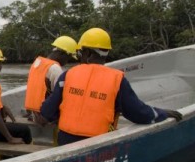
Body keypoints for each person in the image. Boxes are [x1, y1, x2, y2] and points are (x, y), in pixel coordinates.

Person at [40, 27, 183, 145]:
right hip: (99, 143)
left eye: (80, 53)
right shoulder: (117, 79)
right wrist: (162, 113)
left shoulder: (68, 75)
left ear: (88, 53)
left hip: (65, 141)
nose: (79, 57)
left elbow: (47, 111)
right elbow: (138, 113)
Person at [24, 35, 78, 122]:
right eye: (68, 58)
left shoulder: (37, 62)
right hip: (44, 115)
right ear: (62, 54)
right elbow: (59, 96)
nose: (67, 61)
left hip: (32, 111)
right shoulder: (55, 68)